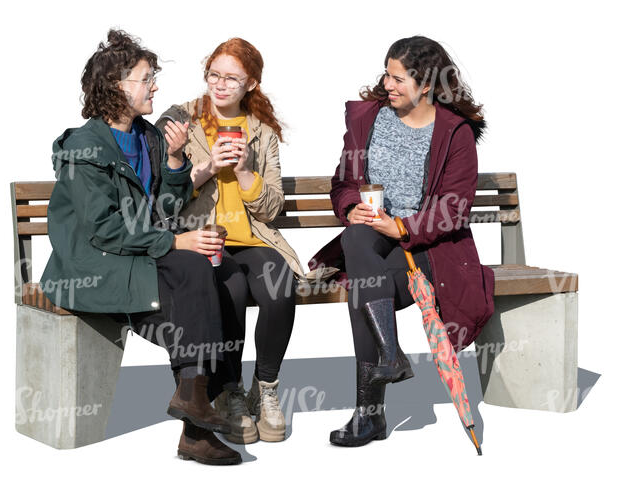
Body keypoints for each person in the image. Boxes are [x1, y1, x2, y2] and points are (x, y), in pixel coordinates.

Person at [41, 30, 242, 465]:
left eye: (154, 77)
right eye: (146, 77)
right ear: (117, 86)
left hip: (135, 257)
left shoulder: (150, 138)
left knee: (206, 276)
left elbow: (160, 212)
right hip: (91, 265)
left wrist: (173, 163)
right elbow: (105, 230)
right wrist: (176, 240)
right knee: (192, 280)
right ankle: (195, 416)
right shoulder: (85, 148)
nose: (155, 86)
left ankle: (193, 404)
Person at [309, 35, 495, 447]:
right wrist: (351, 206)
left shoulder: (454, 132)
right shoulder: (368, 119)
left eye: (398, 79)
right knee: (358, 238)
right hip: (370, 240)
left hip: (428, 249)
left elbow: (455, 206)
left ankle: (369, 413)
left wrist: (404, 228)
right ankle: (390, 356)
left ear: (425, 84)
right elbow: (343, 181)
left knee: (362, 281)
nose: (388, 85)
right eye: (386, 75)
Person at [156, 38, 304, 444]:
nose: (220, 85)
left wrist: (243, 173)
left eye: (231, 79)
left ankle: (266, 388)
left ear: (251, 84)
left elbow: (272, 207)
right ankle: (230, 391)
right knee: (230, 288)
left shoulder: (262, 132)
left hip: (253, 239)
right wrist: (203, 169)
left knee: (280, 286)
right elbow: (160, 198)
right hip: (203, 239)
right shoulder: (180, 120)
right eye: (214, 75)